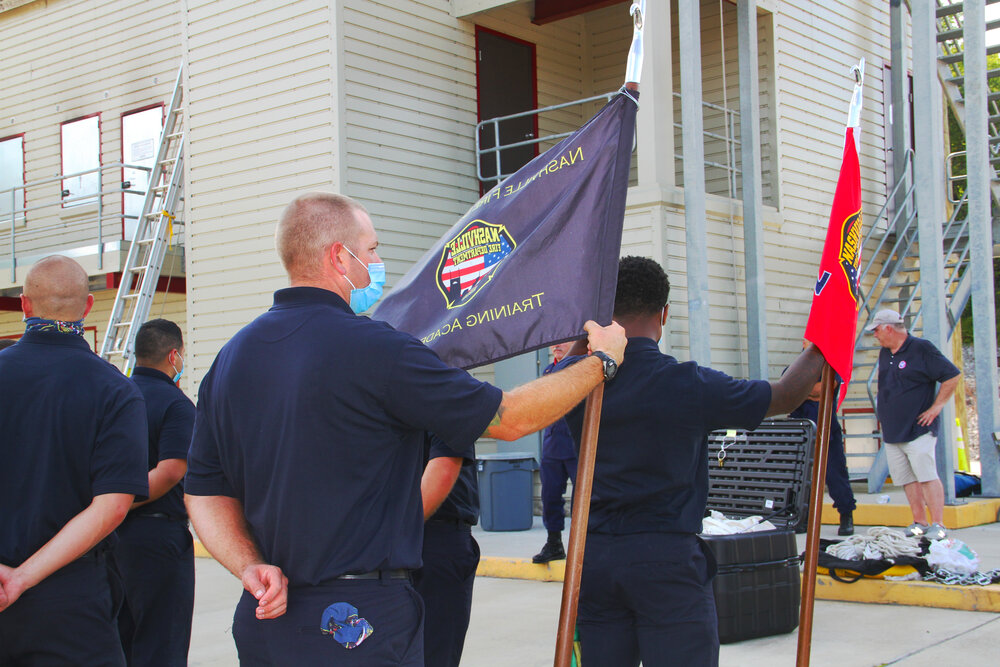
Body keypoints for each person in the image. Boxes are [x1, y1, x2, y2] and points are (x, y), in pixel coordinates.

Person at [184, 192, 626, 666]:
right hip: (358, 624)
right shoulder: (377, 349)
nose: (378, 262)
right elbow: (509, 418)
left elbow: (204, 492)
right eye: (371, 250)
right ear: (340, 257)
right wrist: (600, 362)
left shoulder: (231, 360)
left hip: (267, 619)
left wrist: (249, 565)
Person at [557, 256, 824, 667]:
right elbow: (787, 394)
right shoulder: (687, 383)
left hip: (595, 560)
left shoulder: (576, 381)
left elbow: (564, 368)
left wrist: (590, 329)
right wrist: (826, 337)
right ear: (664, 314)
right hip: (667, 560)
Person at [0, 255, 149, 666]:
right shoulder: (115, 391)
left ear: (25, 305)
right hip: (70, 599)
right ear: (87, 307)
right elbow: (112, 507)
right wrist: (21, 578)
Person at [115, 318, 196, 666]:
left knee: (120, 635)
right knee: (162, 640)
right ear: (173, 355)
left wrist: (108, 508)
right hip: (157, 535)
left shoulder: (115, 395)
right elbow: (171, 471)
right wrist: (121, 503)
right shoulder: (176, 405)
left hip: (110, 535)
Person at [868, 309, 960, 541]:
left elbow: (952, 376)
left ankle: (938, 523)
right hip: (892, 430)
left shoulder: (922, 348)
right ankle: (919, 521)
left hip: (918, 428)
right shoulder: (884, 353)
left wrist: (936, 407)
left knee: (927, 475)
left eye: (877, 330)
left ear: (889, 328)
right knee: (906, 478)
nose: (875, 335)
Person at [412, 433, 480, 667]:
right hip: (429, 539)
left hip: (423, 538)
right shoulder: (440, 396)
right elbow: (445, 467)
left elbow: (445, 466)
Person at [788, 342, 857, 536]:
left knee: (836, 474)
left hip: (826, 428)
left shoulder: (830, 365)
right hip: (801, 431)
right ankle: (802, 519)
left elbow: (823, 389)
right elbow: (787, 390)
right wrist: (807, 391)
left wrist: (803, 390)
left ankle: (846, 515)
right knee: (799, 478)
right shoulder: (793, 366)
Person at [533, 342, 579, 563]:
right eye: (554, 342)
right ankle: (554, 543)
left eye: (562, 341)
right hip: (553, 444)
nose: (557, 346)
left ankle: (588, 544)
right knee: (550, 496)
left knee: (586, 499)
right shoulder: (549, 371)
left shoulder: (582, 367)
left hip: (576, 445)